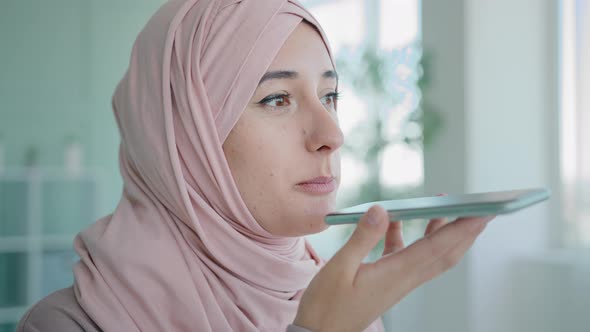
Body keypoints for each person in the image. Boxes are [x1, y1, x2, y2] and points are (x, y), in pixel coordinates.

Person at [17, 0, 494, 331]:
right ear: (186, 138)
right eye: (278, 99)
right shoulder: (66, 325)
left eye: (330, 96)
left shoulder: (337, 297)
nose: (332, 135)